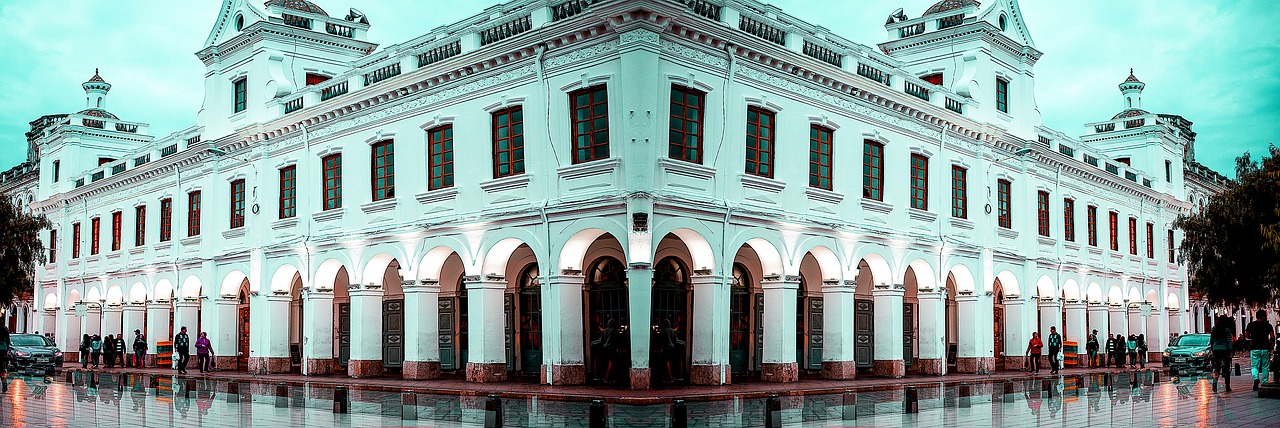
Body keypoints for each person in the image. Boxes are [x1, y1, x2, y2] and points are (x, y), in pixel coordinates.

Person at [1244, 309, 1275, 391]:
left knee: (1254, 366)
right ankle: (1264, 382)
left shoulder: (1250, 325)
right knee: (1265, 366)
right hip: (1265, 348)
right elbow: (1272, 337)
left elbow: (1246, 335)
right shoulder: (1268, 325)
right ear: (1263, 316)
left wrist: (1253, 337)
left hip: (1254, 348)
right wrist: (1271, 345)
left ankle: (1256, 378)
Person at [1210, 315, 1235, 392]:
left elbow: (1212, 340)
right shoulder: (1227, 329)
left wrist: (1212, 348)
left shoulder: (1214, 329)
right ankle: (1227, 386)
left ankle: (1214, 384)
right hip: (1225, 350)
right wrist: (1231, 352)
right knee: (1227, 369)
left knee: (1216, 368)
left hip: (1216, 350)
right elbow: (1229, 341)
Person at [0, 322, 11, 393]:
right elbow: (8, 340)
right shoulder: (4, 329)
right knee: (2, 368)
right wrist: (7, 349)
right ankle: (4, 384)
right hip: (3, 349)